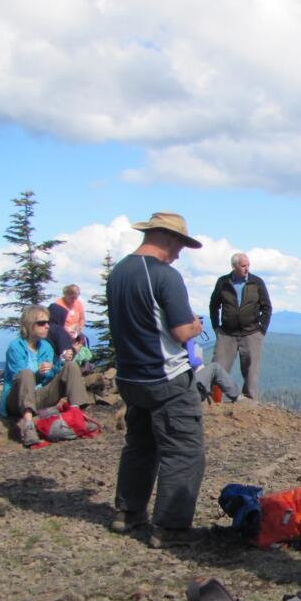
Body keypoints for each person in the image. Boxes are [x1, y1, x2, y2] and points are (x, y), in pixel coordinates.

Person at [106, 212, 206, 549]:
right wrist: (197, 324)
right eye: (180, 243)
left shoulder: (119, 271)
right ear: (167, 237)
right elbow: (180, 331)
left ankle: (128, 512)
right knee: (184, 450)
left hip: (130, 377)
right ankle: (170, 527)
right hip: (166, 377)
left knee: (140, 445)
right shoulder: (165, 276)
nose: (180, 252)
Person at [0, 304, 92, 447]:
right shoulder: (15, 347)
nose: (47, 326)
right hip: (17, 399)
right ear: (29, 325)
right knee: (26, 373)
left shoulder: (46, 347)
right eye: (41, 323)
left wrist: (58, 365)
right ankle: (28, 426)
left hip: (38, 395)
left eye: (47, 322)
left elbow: (49, 378)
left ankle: (76, 416)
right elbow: (18, 378)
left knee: (71, 366)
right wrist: (38, 373)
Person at [209, 252, 271, 401]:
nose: (247, 268)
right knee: (219, 366)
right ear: (234, 266)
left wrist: (261, 330)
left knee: (251, 370)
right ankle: (215, 401)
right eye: (243, 266)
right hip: (227, 333)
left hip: (251, 332)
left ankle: (249, 401)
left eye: (248, 265)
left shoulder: (257, 282)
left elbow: (267, 307)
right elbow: (214, 305)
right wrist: (216, 327)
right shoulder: (223, 282)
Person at [184, 335, 238, 403]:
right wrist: (199, 359)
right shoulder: (188, 338)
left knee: (205, 370)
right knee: (215, 367)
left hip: (173, 386)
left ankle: (207, 397)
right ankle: (236, 395)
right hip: (187, 386)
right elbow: (193, 363)